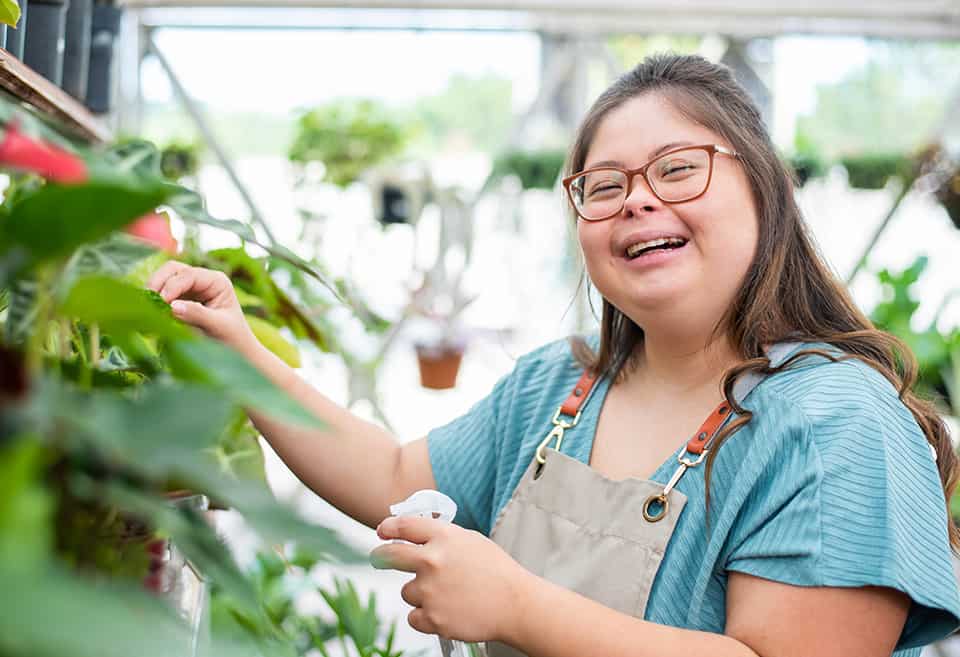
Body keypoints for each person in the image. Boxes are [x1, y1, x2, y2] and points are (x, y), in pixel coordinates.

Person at [148, 53, 960, 657]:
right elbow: (397, 476)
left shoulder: (837, 424)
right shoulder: (558, 386)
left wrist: (515, 605)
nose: (638, 197)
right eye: (603, 185)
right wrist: (238, 351)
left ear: (766, 193)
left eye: (678, 169)